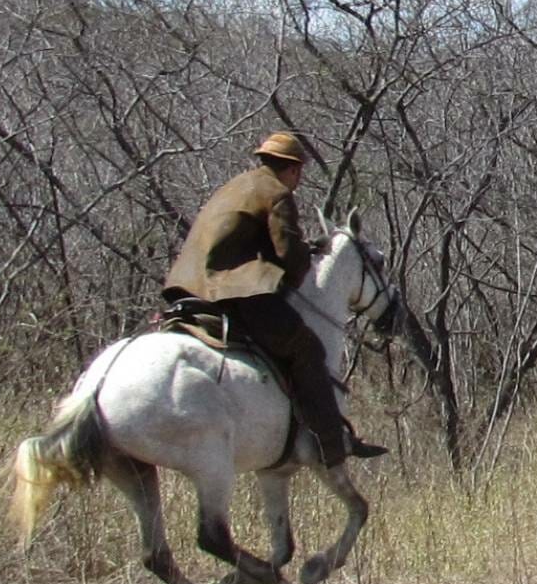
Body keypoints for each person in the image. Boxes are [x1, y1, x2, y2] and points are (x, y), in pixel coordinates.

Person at [163, 131, 387, 463]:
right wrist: (303, 262)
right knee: (307, 348)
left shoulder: (234, 187)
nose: (298, 180)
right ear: (293, 169)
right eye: (299, 172)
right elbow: (288, 255)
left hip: (188, 286)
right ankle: (331, 445)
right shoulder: (278, 193)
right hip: (234, 291)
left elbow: (242, 242)